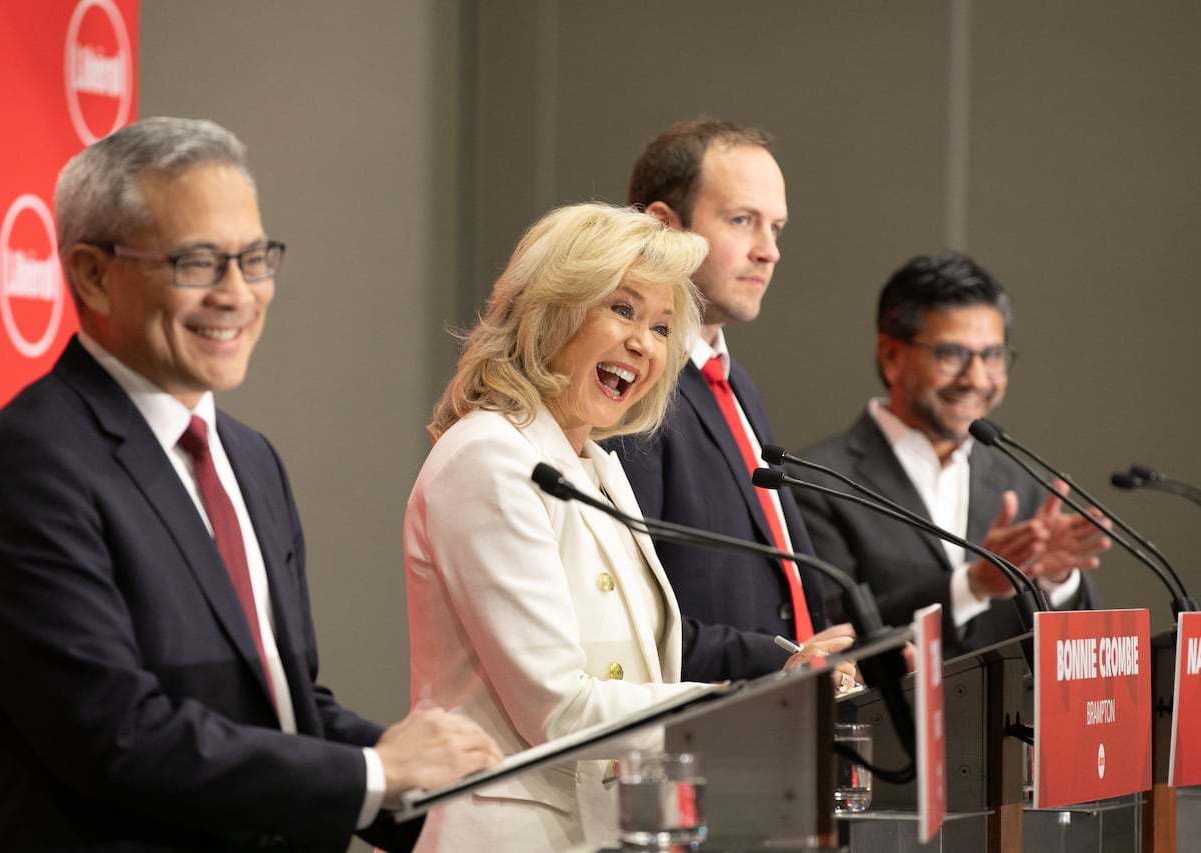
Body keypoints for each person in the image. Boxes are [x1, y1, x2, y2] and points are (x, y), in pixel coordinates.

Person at [0, 116, 501, 852]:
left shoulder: (250, 458)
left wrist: (461, 798)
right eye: (199, 262)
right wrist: (374, 772)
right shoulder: (27, 466)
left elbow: (286, 712)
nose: (238, 294)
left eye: (255, 257)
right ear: (93, 274)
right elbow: (118, 736)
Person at [404, 203, 851, 851]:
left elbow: (646, 674)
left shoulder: (596, 468)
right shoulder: (489, 456)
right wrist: (758, 707)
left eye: (662, 325)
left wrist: (783, 676)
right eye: (622, 309)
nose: (644, 342)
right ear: (551, 308)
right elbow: (557, 709)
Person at [605, 118, 849, 673]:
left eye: (777, 228)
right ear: (665, 227)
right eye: (743, 221)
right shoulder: (631, 389)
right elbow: (632, 621)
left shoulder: (735, 384)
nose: (770, 252)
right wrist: (785, 660)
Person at [795, 251, 1110, 657]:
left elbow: (1078, 657)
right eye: (952, 355)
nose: (977, 378)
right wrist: (972, 585)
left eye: (992, 356)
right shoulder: (817, 482)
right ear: (891, 356)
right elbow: (826, 637)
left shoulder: (1024, 484)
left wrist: (1058, 578)